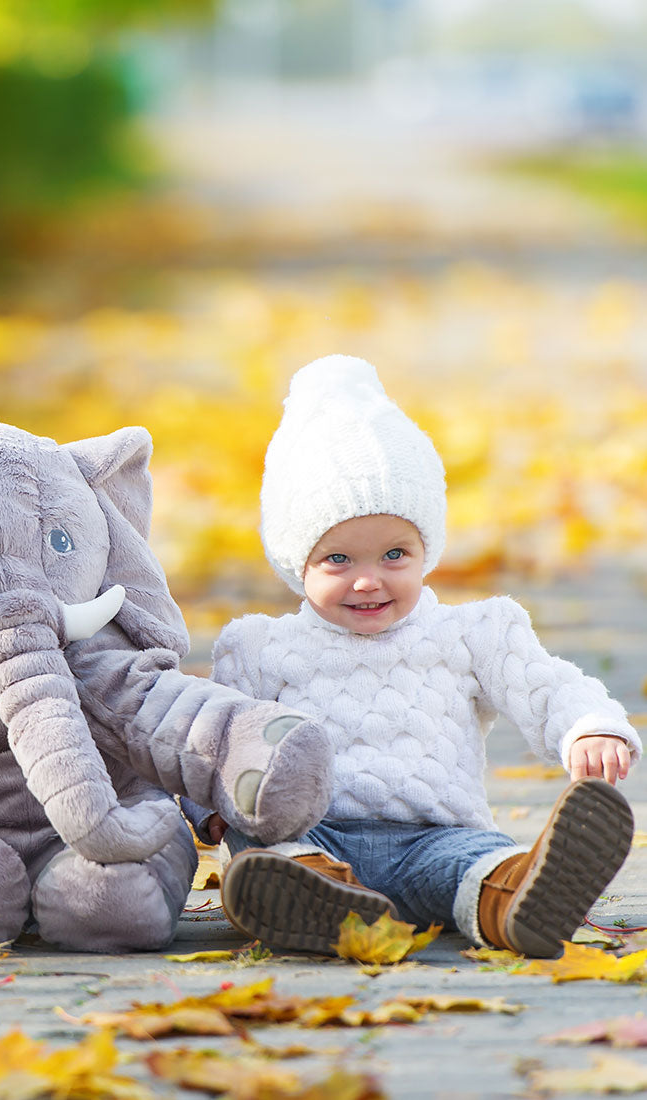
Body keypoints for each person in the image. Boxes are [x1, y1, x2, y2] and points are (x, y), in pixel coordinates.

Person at [213, 354, 639, 959]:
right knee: (273, 850)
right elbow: (215, 739)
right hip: (314, 832)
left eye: (394, 554)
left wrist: (587, 729)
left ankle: (521, 900)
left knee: (476, 865)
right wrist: (209, 805)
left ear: (425, 549)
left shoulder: (471, 633)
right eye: (338, 560)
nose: (368, 581)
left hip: (436, 836)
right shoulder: (260, 649)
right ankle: (317, 904)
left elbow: (547, 685)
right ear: (295, 561)